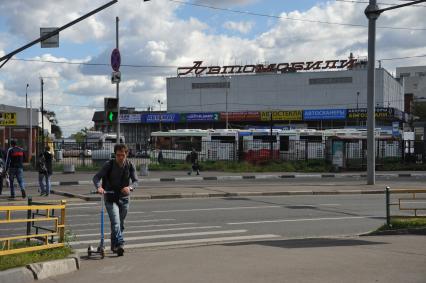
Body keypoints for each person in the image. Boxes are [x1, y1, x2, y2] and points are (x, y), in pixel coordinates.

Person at [92, 144, 138, 256]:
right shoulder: (109, 164)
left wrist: (130, 187)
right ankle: (120, 244)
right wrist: (99, 187)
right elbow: (96, 177)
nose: (120, 157)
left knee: (120, 224)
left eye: (123, 155)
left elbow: (135, 181)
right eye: (118, 155)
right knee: (116, 222)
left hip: (124, 199)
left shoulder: (130, 165)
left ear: (126, 154)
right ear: (115, 154)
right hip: (110, 197)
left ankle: (114, 246)